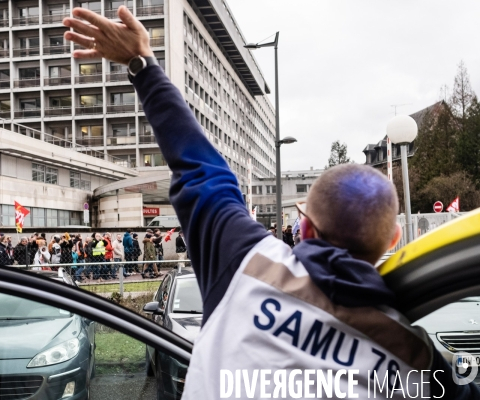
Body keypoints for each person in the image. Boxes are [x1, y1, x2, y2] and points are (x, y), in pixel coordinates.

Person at [62, 8, 480, 398]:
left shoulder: (246, 260)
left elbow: (198, 164)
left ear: (306, 227)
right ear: (392, 236)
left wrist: (142, 63)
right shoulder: (417, 361)